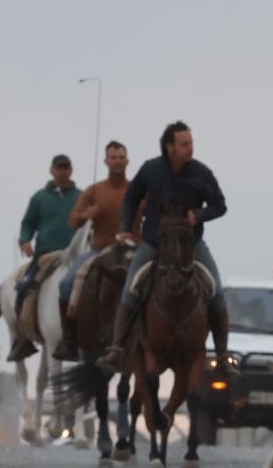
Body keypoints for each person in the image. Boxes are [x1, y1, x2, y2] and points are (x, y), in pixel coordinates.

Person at [97, 121, 229, 373]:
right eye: (184, 144)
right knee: (131, 287)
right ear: (170, 147)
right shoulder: (150, 170)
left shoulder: (202, 173)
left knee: (216, 290)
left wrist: (198, 215)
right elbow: (132, 197)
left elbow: (220, 205)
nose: (190, 148)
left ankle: (223, 356)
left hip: (191, 246)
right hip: (154, 243)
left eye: (191, 143)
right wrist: (125, 225)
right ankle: (116, 349)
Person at [53, 141, 132, 360]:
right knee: (67, 283)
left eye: (121, 157)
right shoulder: (94, 190)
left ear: (127, 161)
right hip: (99, 251)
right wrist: (84, 216)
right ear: (106, 161)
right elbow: (73, 220)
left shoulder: (137, 189)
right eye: (113, 157)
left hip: (132, 250)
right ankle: (69, 339)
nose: (117, 161)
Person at [7, 154, 81, 361]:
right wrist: (25, 240)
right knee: (23, 286)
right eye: (59, 168)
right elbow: (28, 222)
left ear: (71, 171)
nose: (62, 172)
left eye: (66, 168)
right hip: (46, 255)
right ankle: (23, 339)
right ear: (51, 171)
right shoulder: (39, 198)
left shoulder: (81, 196)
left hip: (74, 255)